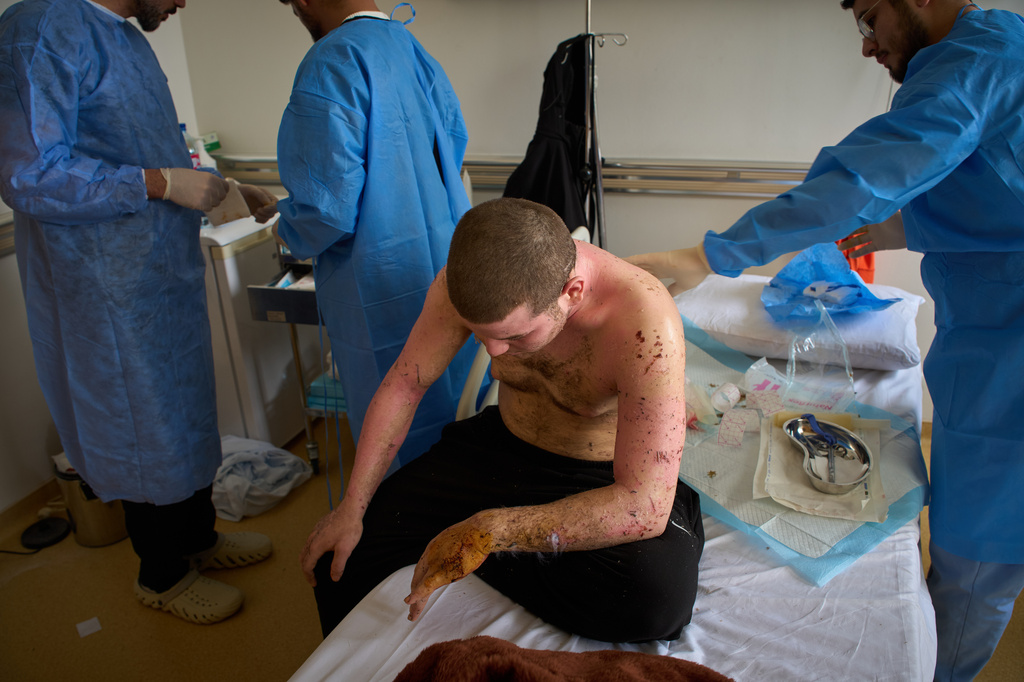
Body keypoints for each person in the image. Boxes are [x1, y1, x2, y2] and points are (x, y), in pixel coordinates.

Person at [628, 2, 1024, 679]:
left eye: (872, 18)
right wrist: (909, 228)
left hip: (1009, 353)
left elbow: (867, 176)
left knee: (977, 554)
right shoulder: (999, 47)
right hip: (989, 327)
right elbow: (995, 185)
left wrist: (707, 256)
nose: (869, 47)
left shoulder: (979, 61)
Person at [299, 197, 705, 642]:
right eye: (481, 335)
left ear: (571, 293)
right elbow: (405, 385)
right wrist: (351, 507)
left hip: (599, 477)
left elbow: (644, 504)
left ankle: (500, 552)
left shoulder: (644, 321)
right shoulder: (465, 284)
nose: (493, 352)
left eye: (513, 335)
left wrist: (491, 532)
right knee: (337, 558)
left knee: (654, 601)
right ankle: (520, 557)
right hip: (498, 448)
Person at [0, 0, 277, 625]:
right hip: (101, 282)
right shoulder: (42, 29)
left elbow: (148, 149)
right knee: (139, 421)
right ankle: (161, 574)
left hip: (158, 275)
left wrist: (223, 189)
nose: (183, 3)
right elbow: (29, 172)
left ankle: (198, 540)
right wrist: (156, 184)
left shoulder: (125, 40)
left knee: (182, 411)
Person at [272, 0, 477, 468]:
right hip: (445, 265)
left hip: (378, 285)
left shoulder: (331, 60)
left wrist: (288, 229)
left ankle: (401, 525)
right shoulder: (411, 47)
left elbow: (327, 208)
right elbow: (454, 147)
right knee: (453, 405)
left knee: (396, 423)